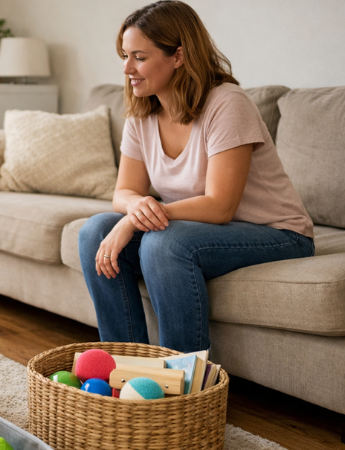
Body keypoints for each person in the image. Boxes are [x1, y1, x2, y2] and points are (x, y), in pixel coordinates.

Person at [78, 0, 314, 353]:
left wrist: (132, 221)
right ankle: (127, 369)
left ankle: (185, 383)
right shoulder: (141, 115)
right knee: (93, 231)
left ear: (178, 55)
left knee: (164, 243)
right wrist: (137, 205)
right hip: (206, 232)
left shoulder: (226, 104)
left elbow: (220, 206)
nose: (127, 68)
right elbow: (125, 190)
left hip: (278, 233)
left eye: (139, 57)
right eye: (124, 56)